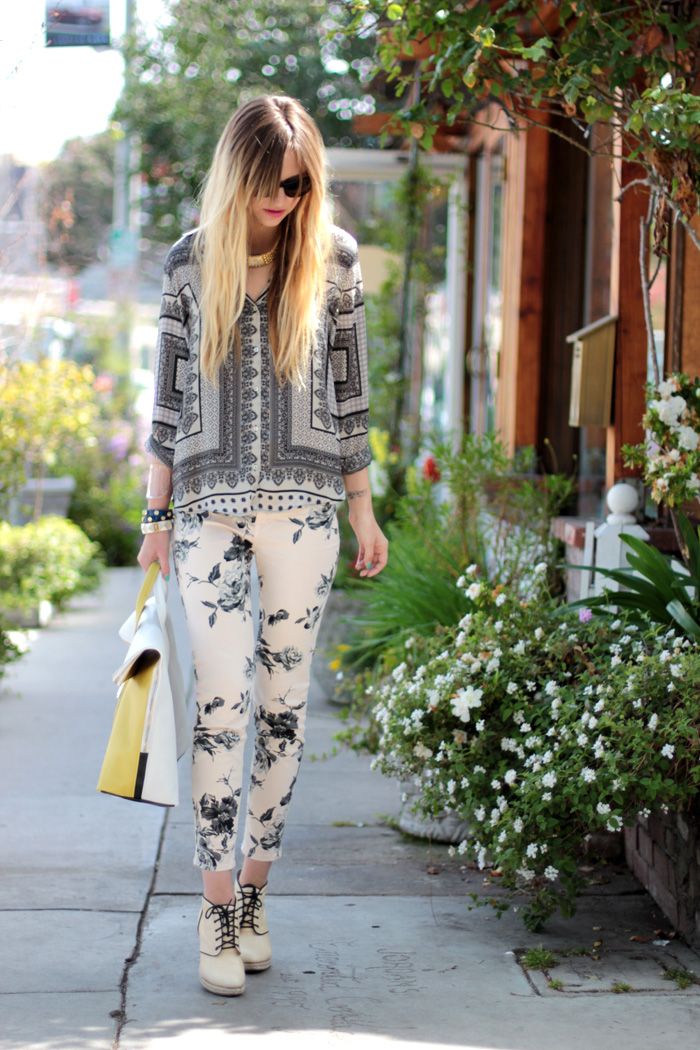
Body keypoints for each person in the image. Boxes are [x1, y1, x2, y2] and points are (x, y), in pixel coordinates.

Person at [138, 94, 388, 997]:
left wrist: (364, 507)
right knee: (220, 706)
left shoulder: (334, 262)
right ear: (238, 170)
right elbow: (165, 402)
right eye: (272, 180)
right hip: (206, 513)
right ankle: (210, 907)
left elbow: (352, 394)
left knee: (283, 709)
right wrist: (154, 520)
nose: (285, 197)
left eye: (300, 182)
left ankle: (253, 894)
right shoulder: (188, 263)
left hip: (308, 514)